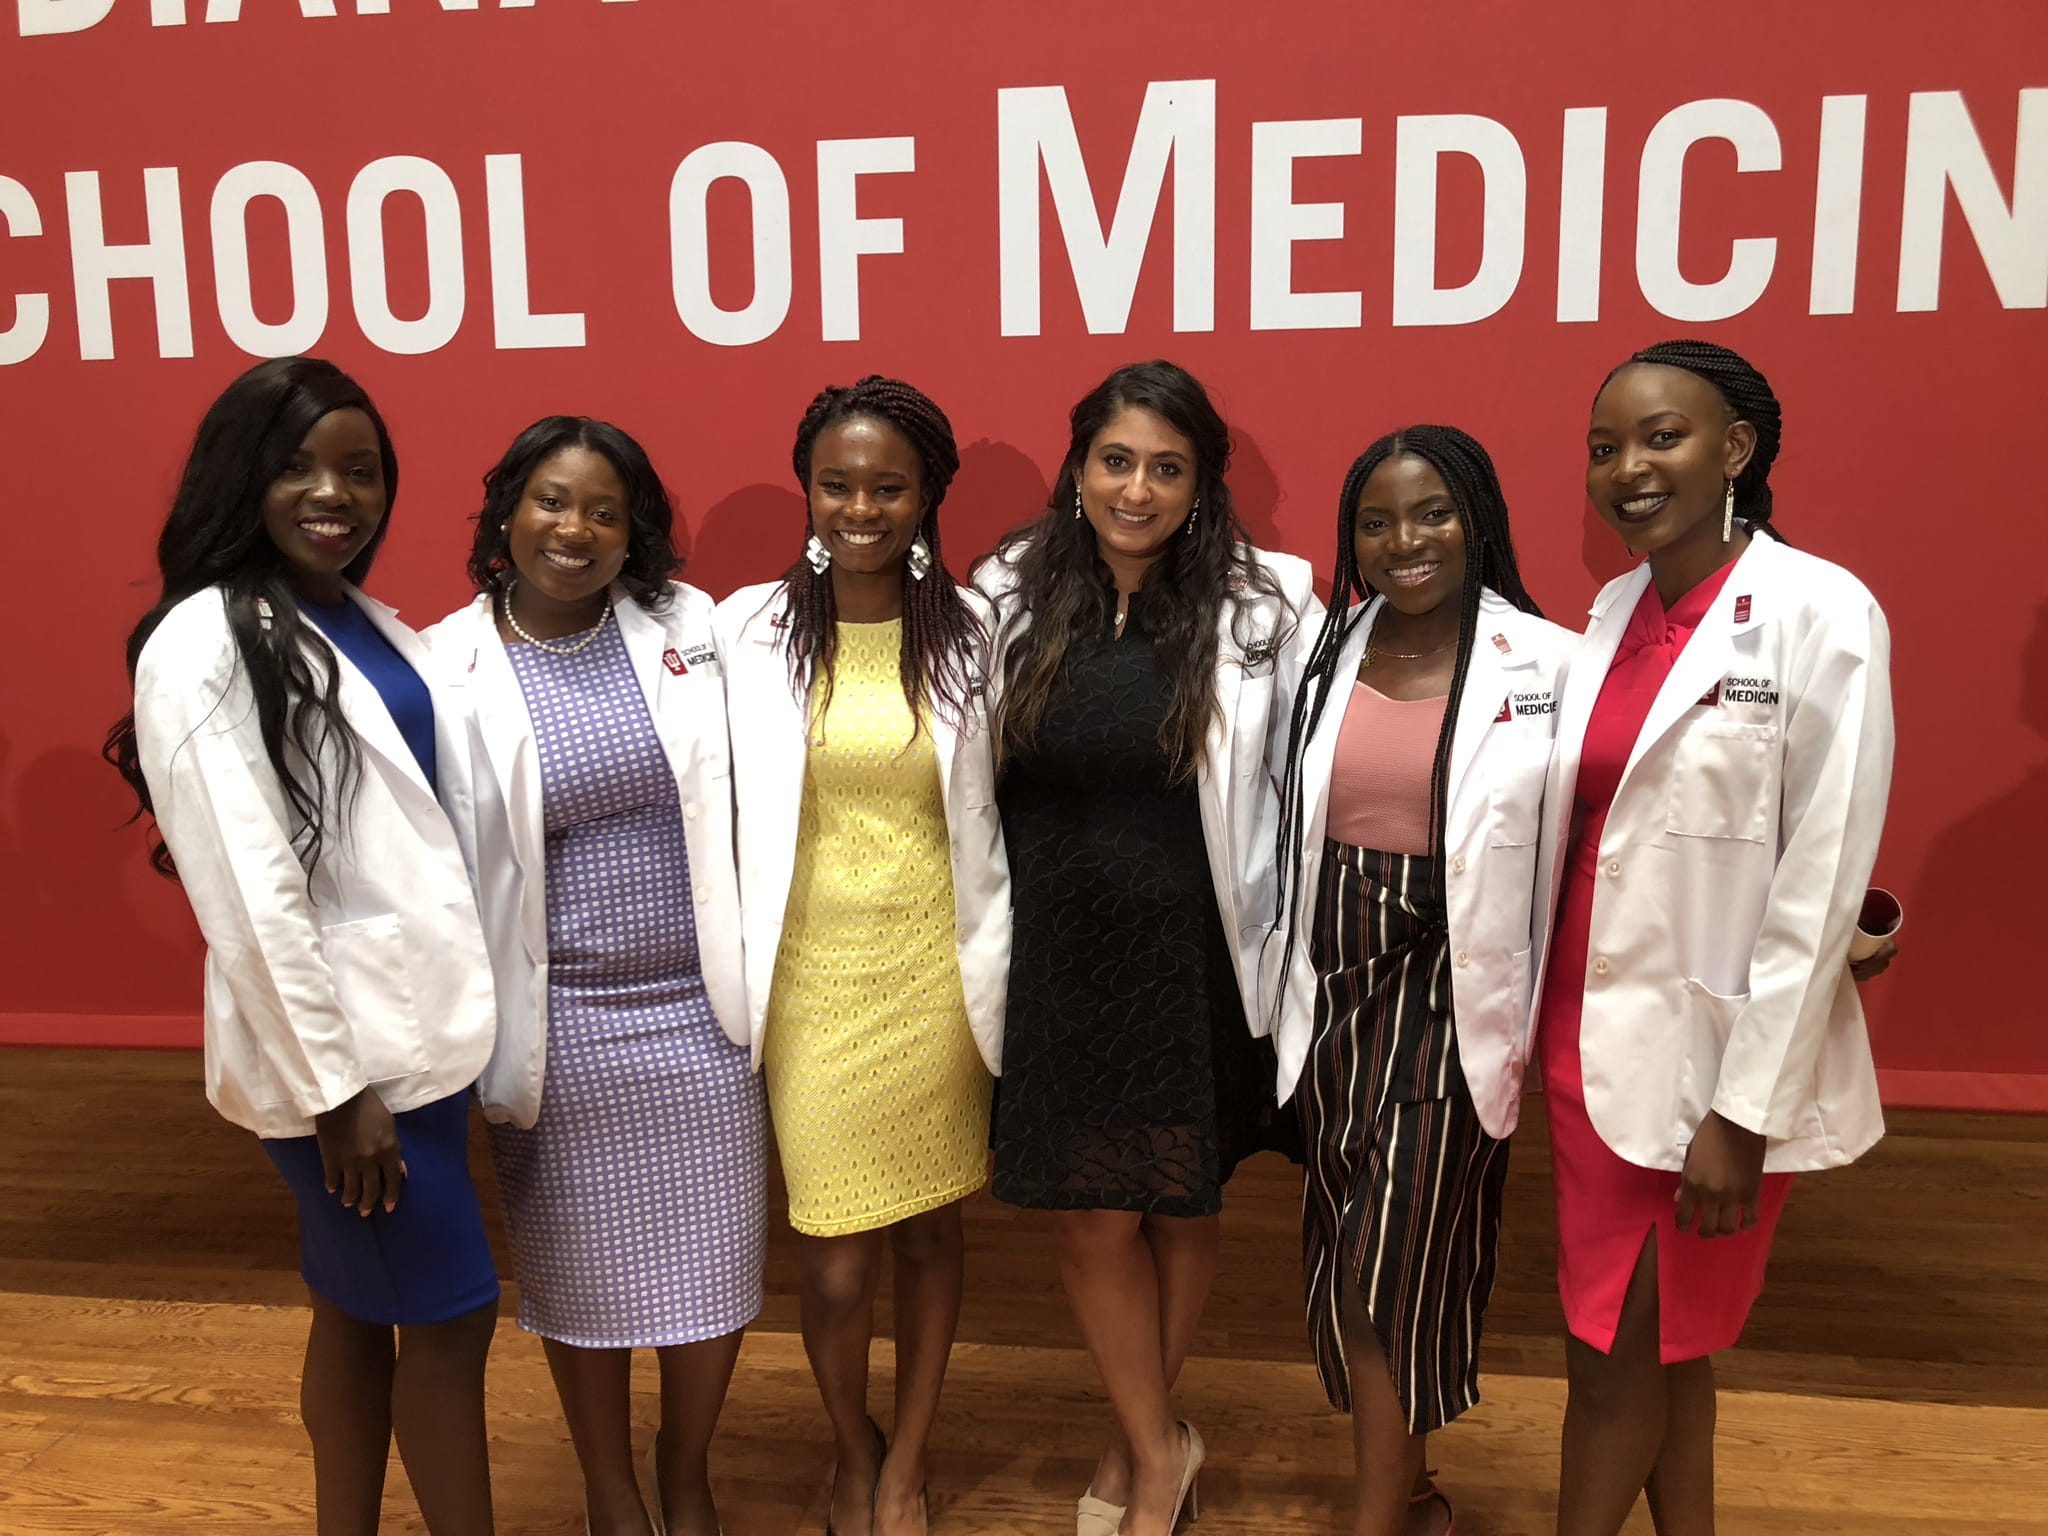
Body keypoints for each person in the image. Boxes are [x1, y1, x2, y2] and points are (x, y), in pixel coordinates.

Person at [106, 356, 499, 1536]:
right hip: (345, 1071)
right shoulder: (202, 641)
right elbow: (246, 889)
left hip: (414, 1042)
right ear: (241, 478)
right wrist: (337, 1095)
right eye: (296, 466)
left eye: (360, 470)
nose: (334, 493)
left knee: (352, 1304)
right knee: (447, 1313)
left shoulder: (356, 619)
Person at [1532, 340, 1894, 1536]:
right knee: (1663, 1352)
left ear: (1734, 449)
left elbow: (1819, 882)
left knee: (1609, 1367)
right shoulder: (1615, 608)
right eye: (1602, 447)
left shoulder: (1819, 612)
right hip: (1585, 1050)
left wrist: (1744, 1115)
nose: (1624, 468)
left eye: (1658, 437)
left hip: (1709, 1078)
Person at [980, 359, 1314, 1536]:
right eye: (1115, 461)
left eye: (1165, 468)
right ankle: (1155, 1436)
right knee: (1089, 1217)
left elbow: (1297, 787)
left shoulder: (1267, 605)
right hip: (1059, 956)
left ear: (1201, 484)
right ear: (1077, 469)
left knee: (1177, 1204)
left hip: (1193, 953)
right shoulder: (1005, 599)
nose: (1136, 488)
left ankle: (1143, 1451)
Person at [423, 417, 766, 1536]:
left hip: (698, 1015)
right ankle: (610, 1489)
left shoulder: (690, 627)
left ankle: (684, 1467)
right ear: (506, 515)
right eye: (550, 503)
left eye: (603, 511)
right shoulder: (448, 664)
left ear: (635, 533)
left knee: (712, 1273)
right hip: (560, 1026)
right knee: (578, 1283)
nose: (574, 529)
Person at [1270, 425, 1575, 1535]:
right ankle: (1411, 1484)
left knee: (1385, 1265)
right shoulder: (1325, 647)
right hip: (1331, 983)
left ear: (1477, 516)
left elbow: (1621, 822)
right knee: (1353, 1245)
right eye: (1376, 519)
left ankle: (1373, 1520)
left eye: (1432, 511)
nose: (1405, 539)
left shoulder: (1546, 663)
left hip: (1446, 990)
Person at [716, 377, 1006, 1536]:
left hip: (934, 972)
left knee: (933, 1228)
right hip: (806, 978)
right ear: (807, 490)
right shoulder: (744, 629)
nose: (860, 508)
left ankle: (905, 1465)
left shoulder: (975, 633)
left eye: (887, 487)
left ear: (926, 492)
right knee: (834, 1260)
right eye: (836, 485)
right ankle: (850, 1446)